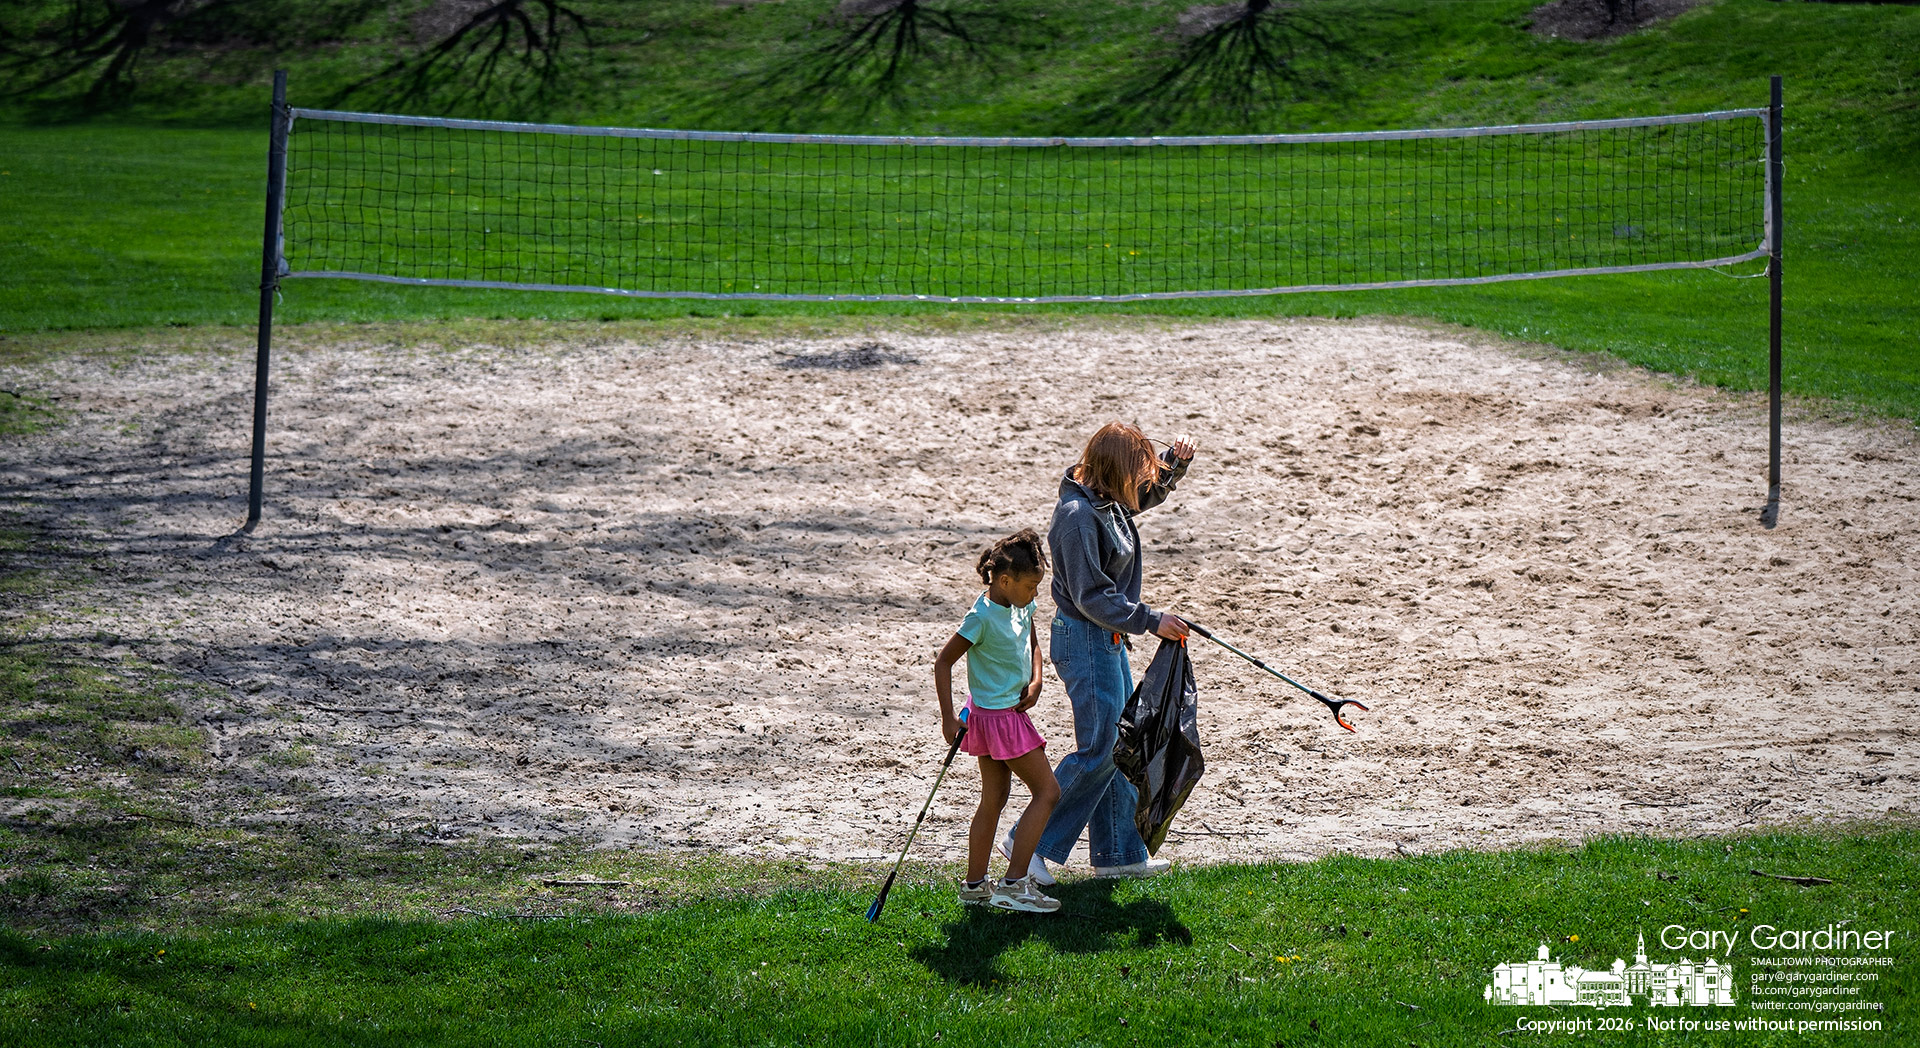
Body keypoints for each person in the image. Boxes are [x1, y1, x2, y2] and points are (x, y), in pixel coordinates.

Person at [1006, 423, 1195, 886]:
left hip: (1106, 641)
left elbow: (1141, 498)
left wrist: (1174, 464)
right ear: (1112, 473)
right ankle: (1026, 842)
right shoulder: (1075, 517)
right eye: (1137, 474)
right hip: (1084, 641)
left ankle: (1118, 854)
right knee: (1101, 751)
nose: (1141, 485)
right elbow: (1092, 597)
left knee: (1121, 746)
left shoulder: (1105, 501)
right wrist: (1151, 620)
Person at [932, 529, 1063, 914]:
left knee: (995, 798)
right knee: (1048, 792)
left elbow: (1033, 644)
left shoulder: (1021, 606)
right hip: (998, 720)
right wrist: (947, 718)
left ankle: (974, 885)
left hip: (1002, 716)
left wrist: (1037, 680)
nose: (1035, 594)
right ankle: (1014, 884)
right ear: (1004, 581)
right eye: (1030, 586)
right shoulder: (982, 617)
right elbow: (943, 662)